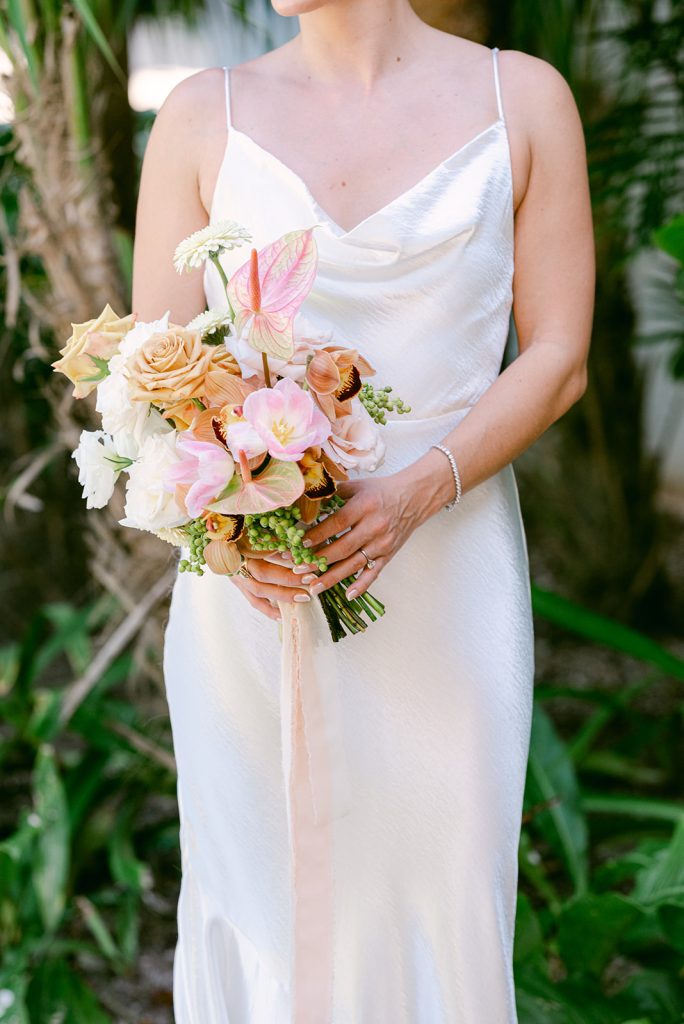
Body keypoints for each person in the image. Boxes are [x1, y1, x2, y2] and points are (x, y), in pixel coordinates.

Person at [132, 1, 594, 1021]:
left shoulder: (521, 99)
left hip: (447, 579)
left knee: (441, 895)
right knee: (262, 907)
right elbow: (148, 382)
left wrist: (420, 487)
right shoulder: (200, 118)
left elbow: (559, 357)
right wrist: (224, 529)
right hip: (255, 599)